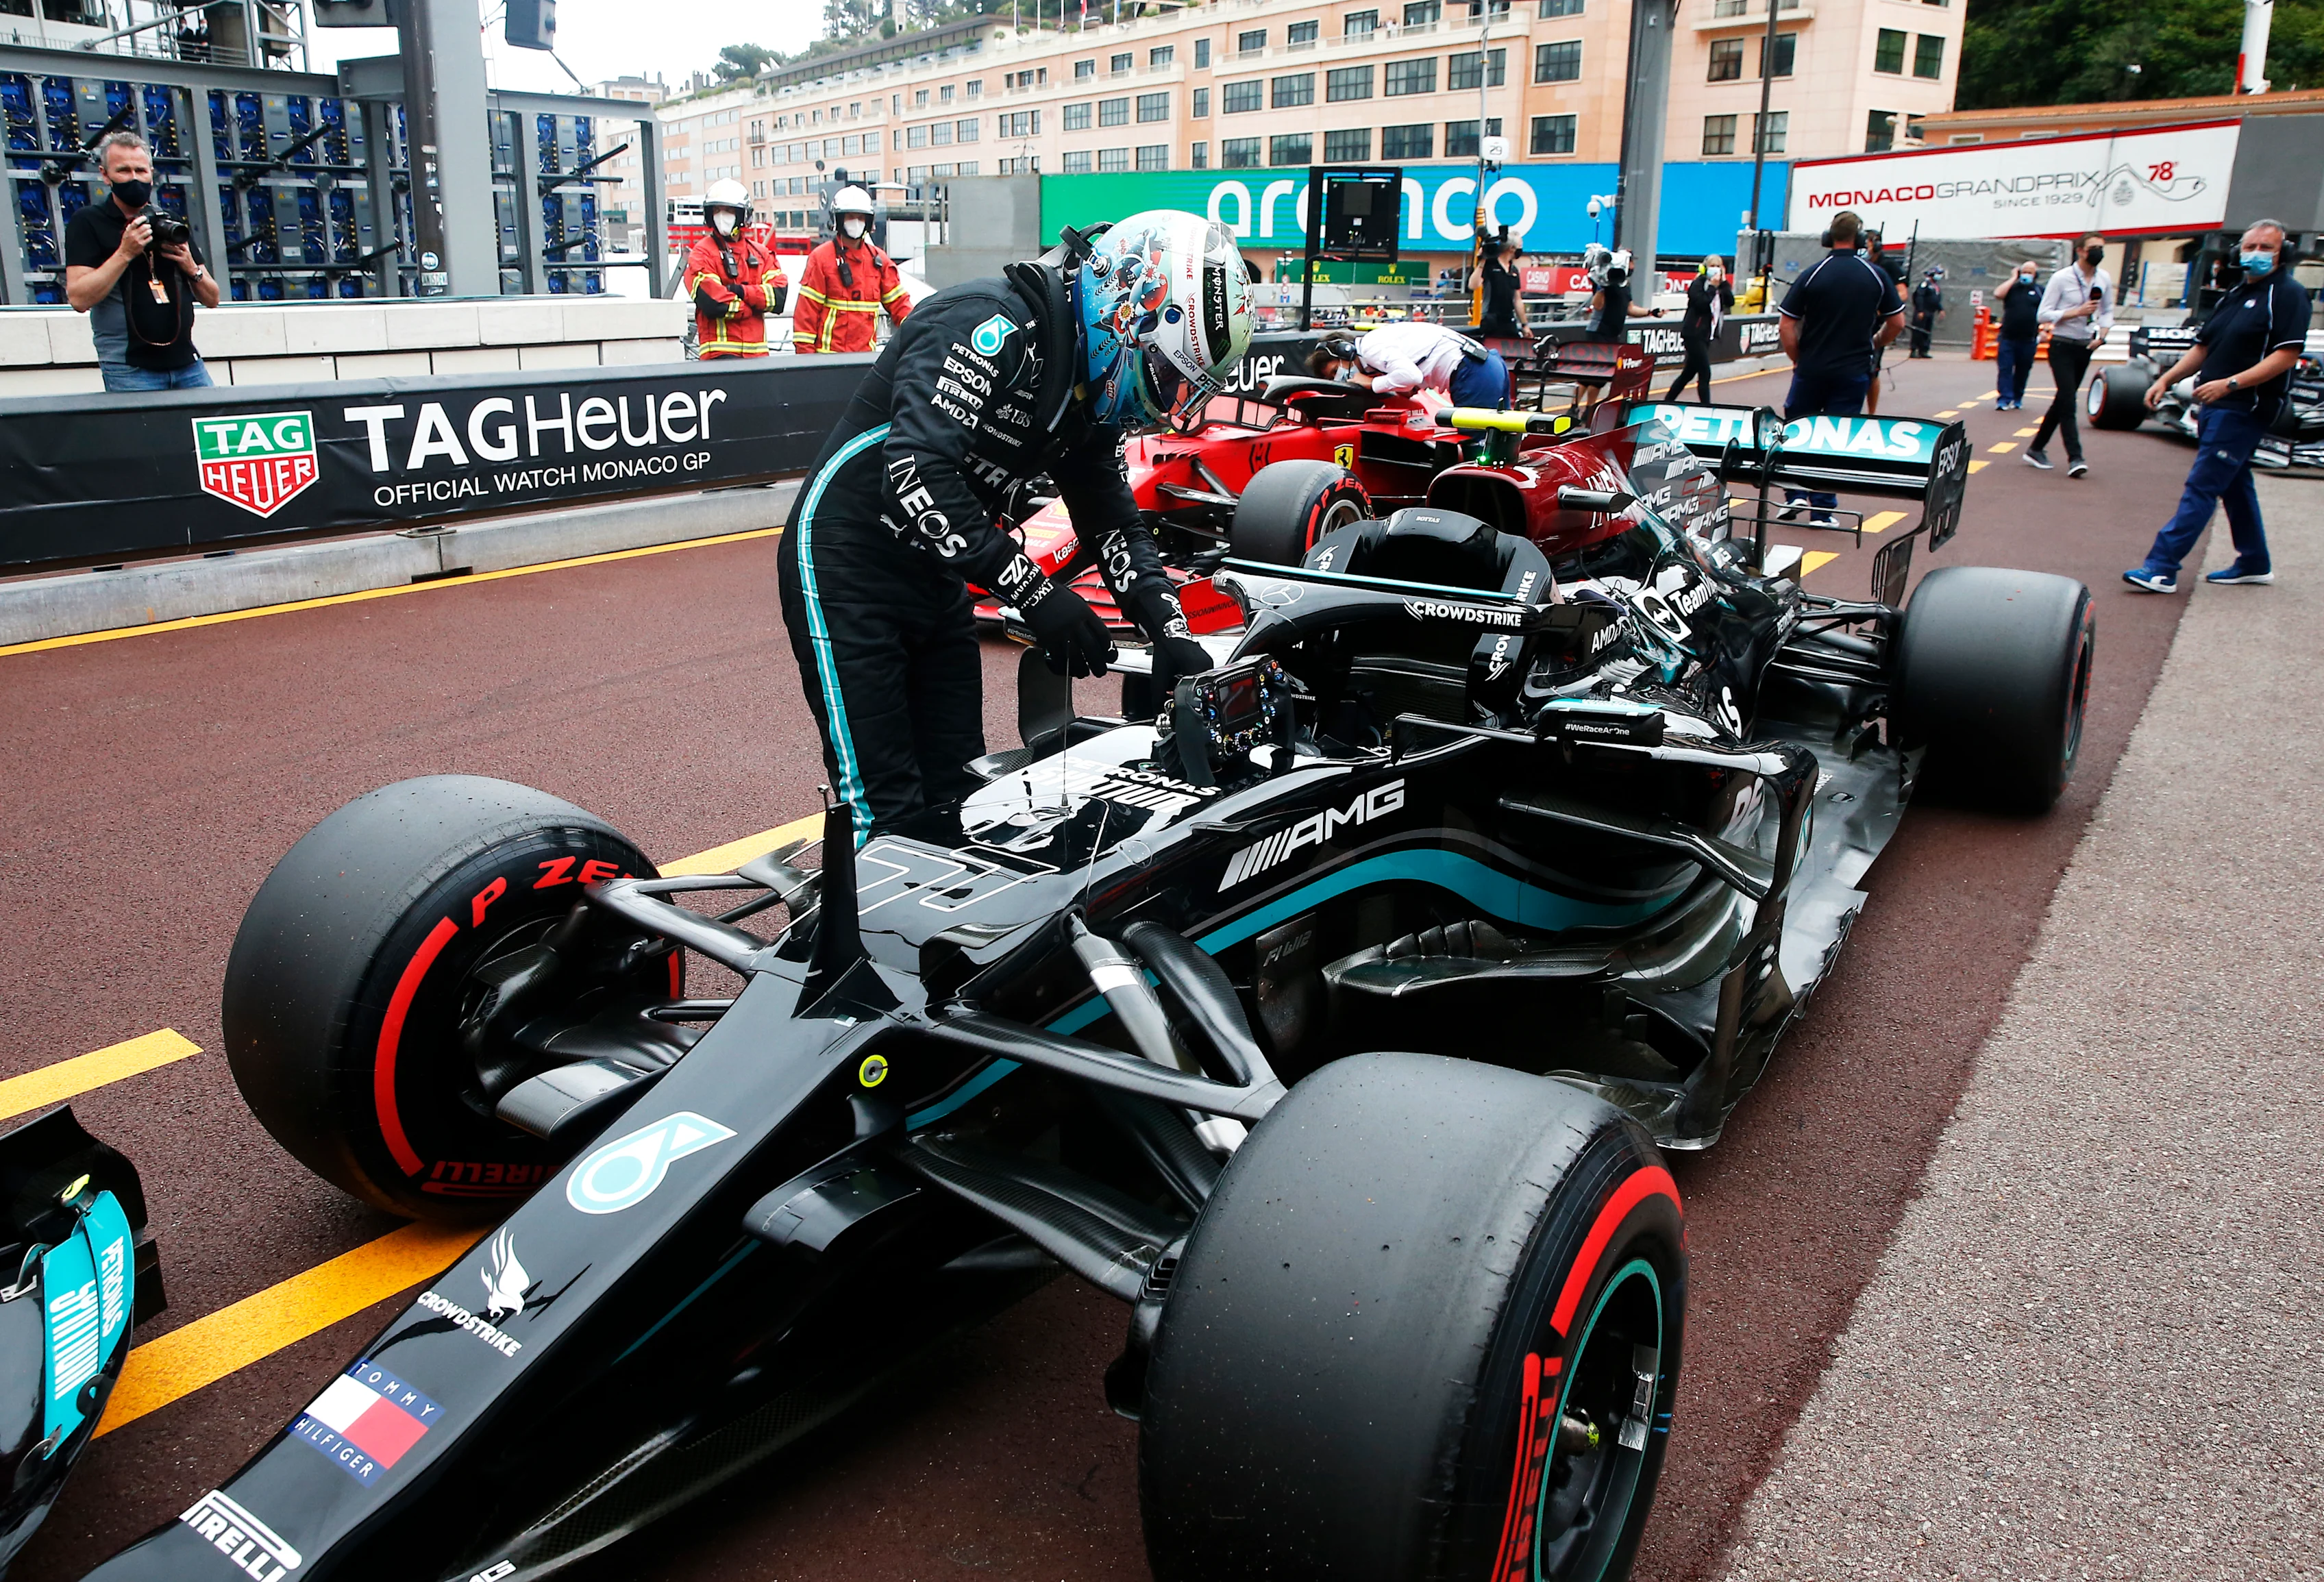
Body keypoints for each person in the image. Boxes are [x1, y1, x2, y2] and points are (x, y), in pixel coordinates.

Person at [779, 210, 1244, 839]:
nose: (1164, 402)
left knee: (960, 796)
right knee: (885, 807)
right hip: (846, 561)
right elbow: (915, 471)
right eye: (1164, 375)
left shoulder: (1086, 388)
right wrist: (1036, 594)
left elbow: (1112, 520)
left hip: (937, 574)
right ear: (1124, 310)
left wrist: (1169, 629)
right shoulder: (986, 324)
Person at [2124, 219, 2309, 594]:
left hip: (2245, 405)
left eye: (2267, 248)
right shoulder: (2235, 293)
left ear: (2284, 253)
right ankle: (2254, 562)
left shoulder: (2289, 295)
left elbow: (2287, 355)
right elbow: (2203, 347)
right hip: (2217, 404)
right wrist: (2165, 380)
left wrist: (2231, 383)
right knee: (2235, 483)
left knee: (2203, 485)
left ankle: (2162, 567)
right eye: (2250, 246)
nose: (2256, 254)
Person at [64, 131, 220, 392]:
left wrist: (191, 267)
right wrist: (125, 253)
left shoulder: (168, 221)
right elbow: (79, 299)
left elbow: (213, 298)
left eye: (141, 171)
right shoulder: (88, 222)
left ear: (151, 173)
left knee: (214, 417)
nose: (134, 178)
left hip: (187, 362)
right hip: (130, 368)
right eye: (124, 171)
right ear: (105, 175)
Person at [1776, 209, 1904, 521]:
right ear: (1859, 239)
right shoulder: (1875, 275)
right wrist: (1875, 342)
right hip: (1853, 371)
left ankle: (1795, 494)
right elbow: (1897, 323)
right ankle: (1822, 509)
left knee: (1796, 431)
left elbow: (1786, 325)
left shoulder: (1813, 273)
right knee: (1836, 438)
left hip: (1812, 368)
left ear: (1828, 238)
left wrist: (1797, 358)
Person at [2027, 233, 2112, 478]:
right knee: (2068, 400)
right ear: (2081, 251)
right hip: (2062, 345)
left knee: (2063, 400)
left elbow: (2107, 310)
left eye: (2101, 248)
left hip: (2085, 346)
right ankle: (2075, 457)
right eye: (2093, 248)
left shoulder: (2104, 278)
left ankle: (2036, 448)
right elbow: (2043, 314)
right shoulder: (2061, 278)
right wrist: (2075, 312)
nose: (2098, 252)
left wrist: (2102, 335)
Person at [791, 186, 912, 354]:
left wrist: (919, 331)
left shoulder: (879, 261)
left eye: (861, 217)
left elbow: (900, 305)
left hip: (865, 360)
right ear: (838, 219)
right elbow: (806, 316)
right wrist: (806, 362)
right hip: (828, 360)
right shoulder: (821, 259)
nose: (856, 222)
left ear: (868, 221)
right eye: (850, 217)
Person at [1305, 320, 1511, 410]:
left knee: (1478, 452)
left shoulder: (1370, 348)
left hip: (1473, 373)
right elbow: (1413, 381)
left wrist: (1372, 384)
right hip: (1486, 366)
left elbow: (1412, 376)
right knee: (1502, 442)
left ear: (1345, 350)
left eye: (1335, 371)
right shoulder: (1374, 354)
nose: (1340, 377)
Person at [684, 179, 787, 360]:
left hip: (758, 358)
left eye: (729, 211)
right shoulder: (702, 252)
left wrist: (741, 292)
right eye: (717, 210)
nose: (722, 216)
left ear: (742, 215)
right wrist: (750, 308)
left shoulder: (760, 253)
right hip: (719, 358)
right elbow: (713, 302)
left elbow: (778, 296)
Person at [1665, 254, 1732, 404]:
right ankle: (1706, 407)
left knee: (1688, 373)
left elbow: (1730, 301)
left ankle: (1668, 401)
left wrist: (1723, 283)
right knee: (1705, 372)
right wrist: (1712, 288)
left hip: (1706, 335)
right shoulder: (1698, 284)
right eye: (1712, 266)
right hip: (1693, 334)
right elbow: (1702, 303)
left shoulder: (1721, 287)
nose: (1715, 269)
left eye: (1718, 266)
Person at [1583, 244, 1661, 343]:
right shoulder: (1603, 282)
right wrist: (1604, 286)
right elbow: (1597, 306)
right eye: (1632, 262)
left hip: (1614, 334)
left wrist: (1651, 312)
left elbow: (1630, 309)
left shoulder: (1625, 284)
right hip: (1599, 332)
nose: (1633, 266)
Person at [1992, 258, 2042, 410]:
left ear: (2035, 274)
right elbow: (1998, 294)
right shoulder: (2012, 288)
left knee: (2023, 370)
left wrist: (2045, 329)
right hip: (2008, 337)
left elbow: (2047, 310)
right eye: (2024, 272)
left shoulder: (2040, 291)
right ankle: (2004, 399)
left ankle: (2018, 397)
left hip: (2028, 339)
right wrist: (2013, 278)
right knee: (2005, 369)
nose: (2026, 275)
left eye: (2030, 272)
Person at [1471, 234, 1524, 340]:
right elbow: (1473, 285)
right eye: (1520, 246)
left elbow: (1517, 299)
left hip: (1509, 320)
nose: (1521, 250)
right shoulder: (1490, 266)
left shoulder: (1514, 270)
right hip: (1490, 319)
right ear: (1512, 248)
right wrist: (1482, 260)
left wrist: (1525, 324)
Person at [1907, 267, 1944, 358]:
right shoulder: (1925, 284)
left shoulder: (1935, 286)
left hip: (1931, 312)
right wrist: (1920, 310)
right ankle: (1914, 350)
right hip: (1923, 312)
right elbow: (1919, 297)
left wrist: (1940, 309)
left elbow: (1936, 300)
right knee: (1918, 331)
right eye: (1938, 274)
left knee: (1927, 332)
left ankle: (1923, 350)